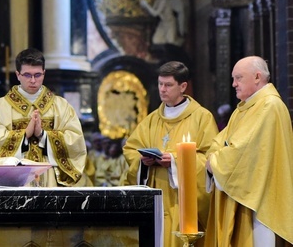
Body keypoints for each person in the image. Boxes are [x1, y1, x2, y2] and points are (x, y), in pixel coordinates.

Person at [123, 61, 218, 247]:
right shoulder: (150, 120)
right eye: (160, 84)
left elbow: (210, 158)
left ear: (183, 86)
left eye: (168, 85)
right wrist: (143, 162)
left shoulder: (202, 118)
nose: (162, 89)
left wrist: (175, 161)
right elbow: (130, 149)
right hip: (155, 201)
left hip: (183, 203)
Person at [205, 56, 293, 246]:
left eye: (238, 78)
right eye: (233, 79)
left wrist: (214, 161)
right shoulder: (243, 109)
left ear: (257, 77)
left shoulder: (269, 106)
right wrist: (215, 156)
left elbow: (242, 151)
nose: (234, 84)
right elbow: (219, 141)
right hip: (246, 195)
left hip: (261, 202)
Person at [0, 48, 87, 186]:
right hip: (15, 181)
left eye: (38, 75)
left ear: (44, 73)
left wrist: (43, 135)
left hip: (50, 180)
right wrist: (24, 135)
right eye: (27, 75)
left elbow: (76, 143)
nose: (33, 80)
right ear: (18, 75)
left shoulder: (61, 106)